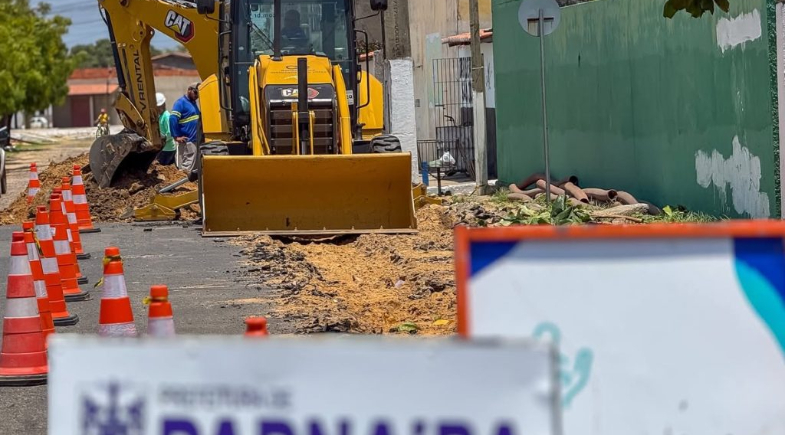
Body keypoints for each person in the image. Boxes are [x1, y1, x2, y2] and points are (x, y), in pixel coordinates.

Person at [169, 83, 202, 172]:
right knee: (186, 168)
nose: (197, 96)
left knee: (193, 168)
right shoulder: (181, 103)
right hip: (188, 141)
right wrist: (176, 136)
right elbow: (172, 118)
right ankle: (182, 185)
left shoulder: (193, 103)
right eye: (195, 93)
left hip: (195, 140)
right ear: (189, 90)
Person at [156, 93, 176, 166]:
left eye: (159, 107)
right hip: (164, 148)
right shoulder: (160, 116)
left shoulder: (166, 116)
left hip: (167, 149)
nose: (158, 109)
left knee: (162, 168)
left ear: (163, 105)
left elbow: (170, 133)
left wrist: (162, 140)